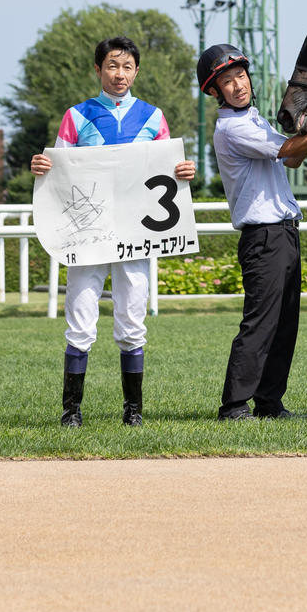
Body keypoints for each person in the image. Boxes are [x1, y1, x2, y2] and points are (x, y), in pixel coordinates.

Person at [30, 36, 196, 427]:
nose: (119, 74)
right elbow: (57, 169)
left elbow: (168, 169)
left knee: (133, 319)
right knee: (81, 319)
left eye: (126, 67)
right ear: (98, 69)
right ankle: (71, 412)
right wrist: (42, 166)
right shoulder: (76, 116)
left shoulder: (154, 117)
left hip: (137, 235)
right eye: (111, 66)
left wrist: (184, 172)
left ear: (136, 71)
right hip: (87, 235)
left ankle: (133, 411)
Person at [200, 43, 307, 421]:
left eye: (240, 76)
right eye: (227, 81)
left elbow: (292, 156)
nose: (238, 85)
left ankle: (269, 403)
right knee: (259, 323)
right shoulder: (233, 127)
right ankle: (234, 405)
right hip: (264, 236)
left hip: (282, 233)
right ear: (214, 91)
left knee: (285, 323)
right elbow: (289, 148)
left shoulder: (253, 120)